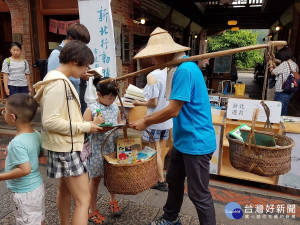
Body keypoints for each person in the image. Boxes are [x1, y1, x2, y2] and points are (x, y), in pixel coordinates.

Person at [131, 27, 216, 225]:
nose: (152, 60)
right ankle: (170, 218)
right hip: (183, 140)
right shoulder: (176, 68)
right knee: (174, 182)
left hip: (196, 142)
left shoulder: (184, 70)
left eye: (153, 56)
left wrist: (145, 121)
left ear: (164, 53)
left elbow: (173, 110)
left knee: (199, 195)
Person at [34, 40, 105, 225]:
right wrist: (86, 126)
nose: (86, 70)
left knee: (65, 192)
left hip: (62, 146)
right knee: (83, 200)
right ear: (75, 61)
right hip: (67, 147)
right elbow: (50, 121)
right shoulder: (58, 84)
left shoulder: (57, 79)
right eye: (85, 66)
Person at [0, 93, 45, 225]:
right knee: (38, 217)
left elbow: (25, 170)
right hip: (37, 187)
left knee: (27, 221)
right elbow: (40, 153)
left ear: (12, 117)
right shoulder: (36, 134)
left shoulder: (17, 143)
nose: (3, 113)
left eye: (5, 111)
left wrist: (1, 176)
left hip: (24, 192)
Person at [83, 77, 122, 224]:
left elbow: (118, 124)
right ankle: (91, 210)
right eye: (109, 97)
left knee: (112, 176)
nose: (112, 100)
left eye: (114, 97)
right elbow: (83, 131)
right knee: (95, 180)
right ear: (99, 95)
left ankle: (113, 201)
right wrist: (95, 126)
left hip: (111, 148)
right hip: (96, 150)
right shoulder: (91, 109)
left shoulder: (115, 107)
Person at [133, 67, 173, 192]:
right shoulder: (170, 73)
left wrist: (138, 103)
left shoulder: (152, 75)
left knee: (154, 151)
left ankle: (161, 181)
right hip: (166, 119)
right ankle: (158, 177)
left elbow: (153, 102)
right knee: (159, 150)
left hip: (154, 119)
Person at [47, 23, 93, 114]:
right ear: (70, 39)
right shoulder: (56, 55)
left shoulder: (74, 53)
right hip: (66, 105)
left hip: (78, 99)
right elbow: (55, 81)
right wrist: (81, 76)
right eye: (80, 44)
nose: (82, 47)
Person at [269, 46, 299, 116]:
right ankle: (283, 124)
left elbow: (272, 72)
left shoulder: (284, 64)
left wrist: (270, 64)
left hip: (281, 90)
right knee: (284, 107)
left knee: (277, 110)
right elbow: (282, 71)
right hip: (291, 90)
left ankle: (278, 124)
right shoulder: (295, 65)